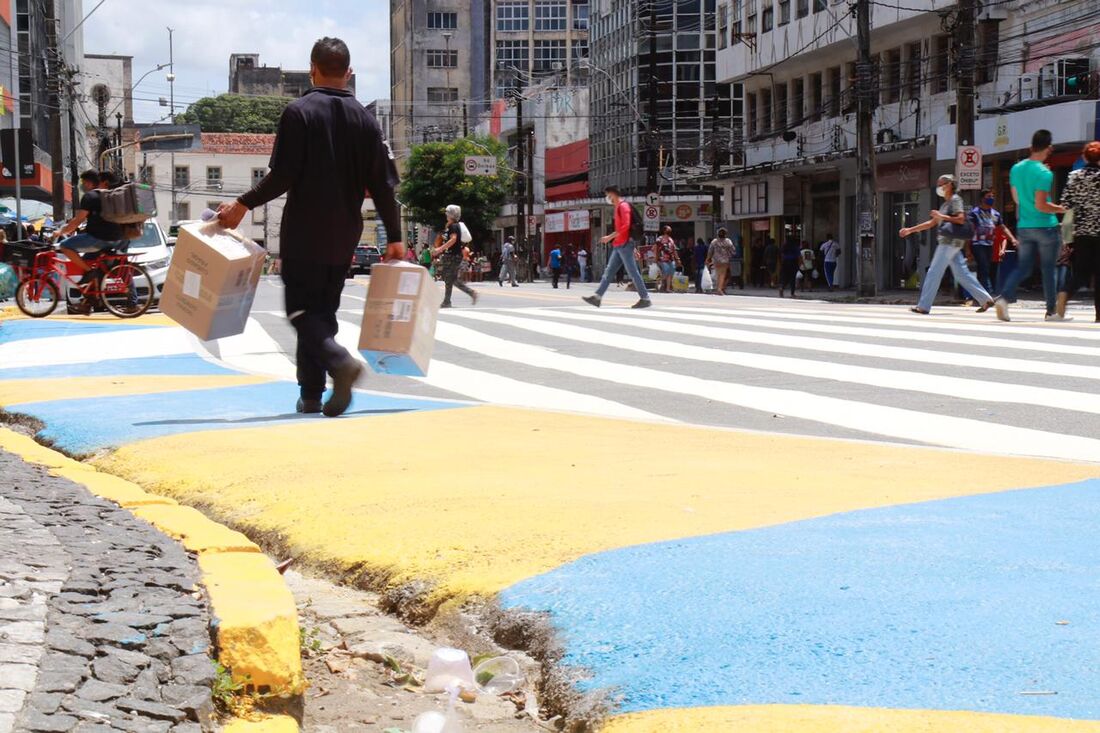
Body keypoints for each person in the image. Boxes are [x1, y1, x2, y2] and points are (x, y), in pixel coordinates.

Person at [218, 37, 402, 418]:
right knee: (322, 311)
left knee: (301, 311)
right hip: (345, 232)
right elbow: (384, 186)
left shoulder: (298, 112)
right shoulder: (368, 122)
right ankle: (312, 394)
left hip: (304, 229)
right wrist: (396, 238)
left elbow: (283, 175)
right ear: (348, 73)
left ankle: (340, 362)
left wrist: (242, 204)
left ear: (312, 68)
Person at [994, 129, 1068, 321]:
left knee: (1024, 267)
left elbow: (1016, 199)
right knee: (1048, 269)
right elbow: (1042, 205)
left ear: (1031, 147)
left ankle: (1003, 299)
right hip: (1046, 226)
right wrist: (1060, 209)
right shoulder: (1044, 173)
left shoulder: (1016, 168)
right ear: (1049, 148)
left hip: (1024, 225)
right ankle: (1051, 311)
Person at [902, 174, 994, 315]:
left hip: (948, 243)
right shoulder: (945, 204)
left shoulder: (955, 200)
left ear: (950, 184)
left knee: (934, 272)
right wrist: (910, 230)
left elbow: (960, 219)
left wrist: (942, 216)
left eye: (942, 183)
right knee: (962, 274)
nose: (939, 186)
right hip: (952, 244)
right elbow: (931, 223)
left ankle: (924, 306)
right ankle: (986, 299)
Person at [53, 170, 127, 315]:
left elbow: (78, 220)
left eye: (84, 183)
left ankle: (89, 273)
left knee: (65, 246)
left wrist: (61, 232)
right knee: (89, 261)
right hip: (116, 239)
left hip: (99, 239)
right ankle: (88, 301)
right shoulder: (110, 195)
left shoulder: (90, 196)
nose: (83, 186)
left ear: (90, 182)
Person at [583, 185, 651, 308]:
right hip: (619, 245)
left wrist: (609, 237)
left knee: (633, 273)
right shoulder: (618, 207)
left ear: (613, 194)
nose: (606, 197)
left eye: (607, 194)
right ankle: (597, 297)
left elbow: (625, 226)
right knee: (609, 273)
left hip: (624, 245)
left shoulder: (623, 206)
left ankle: (645, 298)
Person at [1058, 141, 1100, 321]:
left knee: (1081, 271)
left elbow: (1065, 205)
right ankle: (1099, 314)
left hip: (1081, 232)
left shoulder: (1074, 176)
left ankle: (1065, 294)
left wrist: (1067, 235)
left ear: (1084, 156)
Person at [966, 189, 1016, 298]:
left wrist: (1012, 239)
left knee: (985, 268)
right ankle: (988, 294)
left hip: (989, 244)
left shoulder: (996, 214)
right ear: (982, 199)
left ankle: (980, 295)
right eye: (988, 196)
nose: (991, 198)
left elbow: (1002, 228)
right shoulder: (974, 213)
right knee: (984, 267)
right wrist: (968, 249)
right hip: (977, 244)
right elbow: (969, 231)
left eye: (992, 196)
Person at [431, 204, 478, 308]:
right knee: (451, 279)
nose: (446, 214)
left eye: (447, 212)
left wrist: (440, 249)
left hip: (452, 255)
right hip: (453, 255)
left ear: (451, 214)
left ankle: (447, 301)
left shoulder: (453, 226)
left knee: (449, 278)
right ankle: (470, 293)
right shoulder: (452, 225)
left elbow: (453, 239)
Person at [706, 228, 735, 295]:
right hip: (725, 261)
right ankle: (719, 289)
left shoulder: (714, 241)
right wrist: (730, 254)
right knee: (722, 275)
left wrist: (708, 259)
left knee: (718, 274)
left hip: (716, 261)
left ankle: (718, 288)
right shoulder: (728, 241)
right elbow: (733, 250)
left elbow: (710, 251)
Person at [655, 226, 680, 293]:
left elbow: (674, 250)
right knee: (665, 273)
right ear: (664, 230)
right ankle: (658, 283)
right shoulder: (660, 239)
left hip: (671, 259)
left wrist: (677, 259)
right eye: (668, 229)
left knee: (670, 274)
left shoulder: (671, 239)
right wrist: (656, 258)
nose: (670, 230)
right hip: (662, 259)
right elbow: (656, 248)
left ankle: (668, 288)